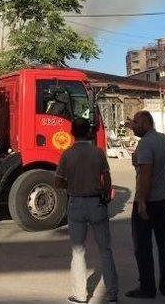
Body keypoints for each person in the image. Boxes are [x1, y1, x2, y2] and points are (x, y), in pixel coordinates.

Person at [55, 117, 118, 304]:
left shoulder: (67, 155)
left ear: (72, 132)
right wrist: (105, 195)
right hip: (97, 203)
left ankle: (80, 295)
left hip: (76, 204)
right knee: (105, 249)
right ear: (89, 133)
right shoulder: (98, 153)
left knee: (78, 251)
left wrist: (72, 184)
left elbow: (58, 182)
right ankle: (112, 294)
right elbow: (106, 180)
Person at [126, 110, 165, 299]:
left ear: (147, 123)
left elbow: (145, 175)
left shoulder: (146, 144)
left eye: (137, 123)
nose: (134, 125)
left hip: (150, 200)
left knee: (142, 246)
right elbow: (138, 163)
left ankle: (147, 287)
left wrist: (141, 202)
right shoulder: (162, 138)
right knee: (164, 244)